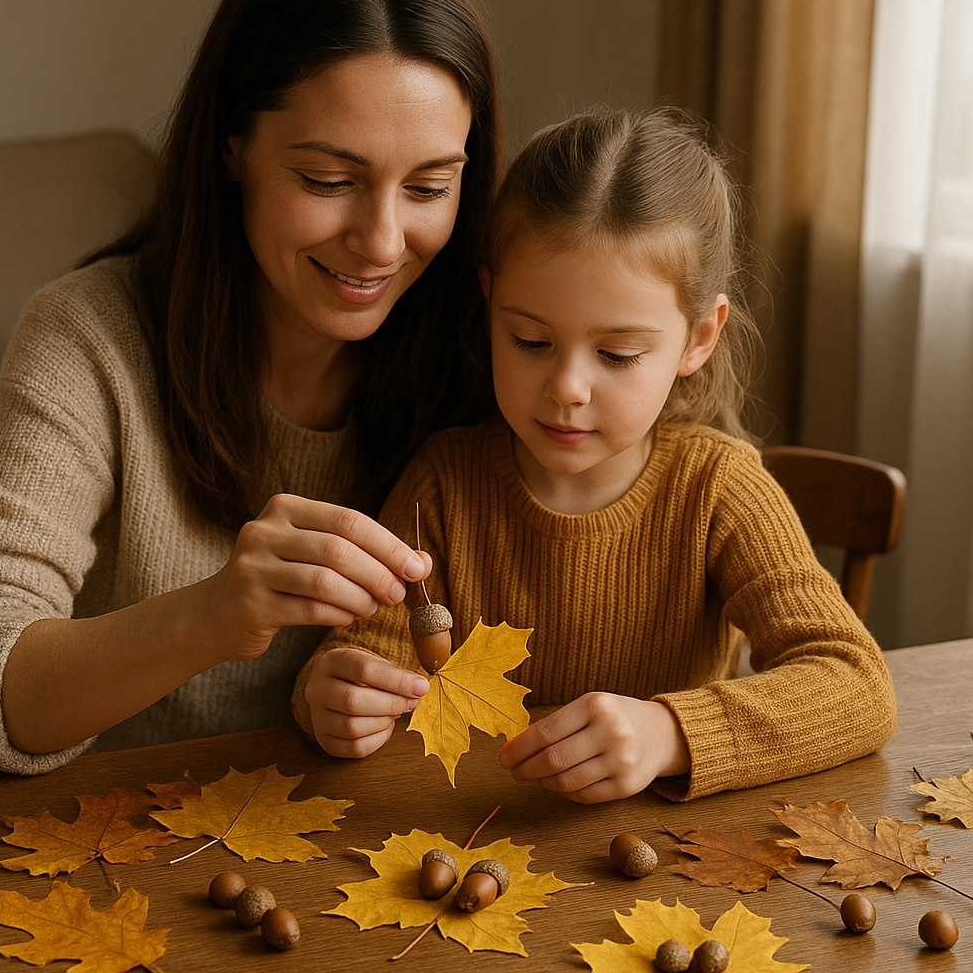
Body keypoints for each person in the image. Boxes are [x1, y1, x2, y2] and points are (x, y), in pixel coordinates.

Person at [0, 0, 499, 774]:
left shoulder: (498, 350)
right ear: (230, 144)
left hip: (373, 852)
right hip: (108, 842)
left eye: (428, 189)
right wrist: (209, 618)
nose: (383, 243)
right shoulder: (90, 339)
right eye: (326, 179)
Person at [293, 105, 897, 803]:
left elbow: (856, 684)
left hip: (671, 870)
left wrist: (668, 733)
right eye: (530, 341)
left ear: (698, 338)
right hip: (476, 846)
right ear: (490, 302)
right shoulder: (445, 481)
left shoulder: (719, 488)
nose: (568, 389)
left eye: (617, 354)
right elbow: (364, 660)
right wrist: (329, 698)